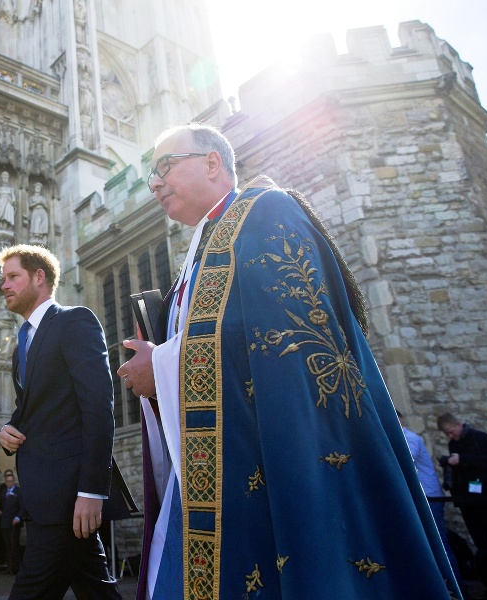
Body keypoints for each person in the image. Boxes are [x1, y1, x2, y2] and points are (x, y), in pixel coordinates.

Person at [117, 122, 461, 599]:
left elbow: (290, 340)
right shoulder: (199, 251)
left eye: (163, 167)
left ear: (212, 163)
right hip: (220, 466)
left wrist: (164, 365)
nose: (154, 183)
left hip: (278, 462)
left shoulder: (264, 212)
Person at [0, 244, 120, 599]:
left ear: (39, 277)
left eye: (12, 277)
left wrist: (92, 491)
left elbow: (99, 406)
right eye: (3, 279)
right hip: (42, 496)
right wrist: (8, 429)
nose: (4, 285)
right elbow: (30, 411)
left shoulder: (73, 320)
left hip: (68, 497)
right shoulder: (21, 344)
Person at [398, 411, 462, 588]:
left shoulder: (409, 438)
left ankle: (454, 586)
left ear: (399, 420)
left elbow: (406, 462)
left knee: (439, 542)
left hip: (429, 498)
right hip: (421, 498)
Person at [438, 412, 487, 592]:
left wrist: (463, 459)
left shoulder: (480, 438)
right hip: (468, 500)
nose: (450, 436)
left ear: (457, 424)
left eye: (450, 431)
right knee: (481, 541)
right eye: (447, 434)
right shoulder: (453, 445)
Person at [0, 471, 24, 576]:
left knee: (14, 546)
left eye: (11, 481)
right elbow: (1, 505)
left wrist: (18, 517)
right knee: (7, 547)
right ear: (5, 482)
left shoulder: (18, 492)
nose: (9, 483)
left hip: (14, 523)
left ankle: (16, 567)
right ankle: (9, 567)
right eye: (7, 481)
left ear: (14, 481)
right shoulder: (3, 492)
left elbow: (22, 506)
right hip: (4, 523)